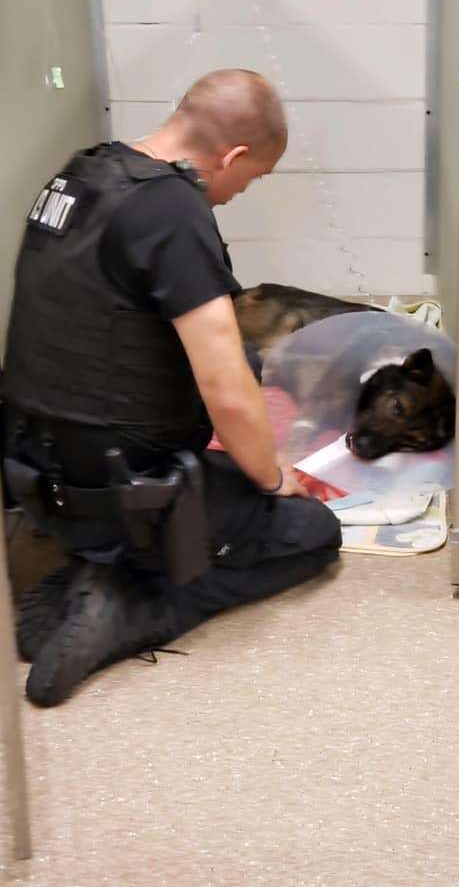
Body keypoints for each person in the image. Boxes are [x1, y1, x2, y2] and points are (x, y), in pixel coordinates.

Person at [2, 69, 342, 707]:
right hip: (122, 485)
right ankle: (138, 604)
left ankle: (91, 569)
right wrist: (272, 477)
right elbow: (223, 385)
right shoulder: (172, 208)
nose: (241, 192)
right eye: (254, 177)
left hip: (35, 474)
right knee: (312, 532)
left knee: (234, 360)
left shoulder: (81, 173)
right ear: (232, 155)